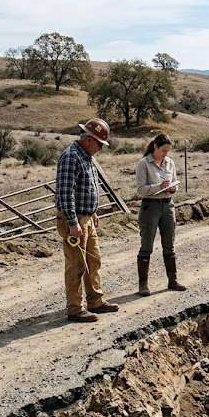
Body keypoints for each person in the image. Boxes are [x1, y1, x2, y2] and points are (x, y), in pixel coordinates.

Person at [55, 118, 120, 323]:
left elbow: (87, 187)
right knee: (76, 264)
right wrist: (72, 222)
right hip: (75, 219)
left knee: (93, 260)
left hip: (87, 217)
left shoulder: (87, 157)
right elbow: (65, 193)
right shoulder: (71, 157)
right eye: (99, 144)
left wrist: (93, 212)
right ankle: (75, 308)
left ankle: (95, 300)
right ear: (89, 139)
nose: (100, 148)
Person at [135, 133, 187, 296]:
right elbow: (141, 190)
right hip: (150, 207)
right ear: (155, 146)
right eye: (164, 150)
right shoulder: (143, 164)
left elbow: (175, 184)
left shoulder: (170, 163)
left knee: (169, 244)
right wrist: (159, 186)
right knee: (147, 245)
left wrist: (172, 188)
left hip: (168, 205)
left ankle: (173, 281)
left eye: (168, 151)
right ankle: (143, 285)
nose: (166, 154)